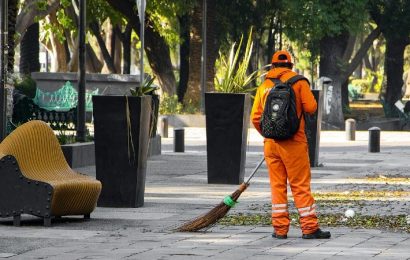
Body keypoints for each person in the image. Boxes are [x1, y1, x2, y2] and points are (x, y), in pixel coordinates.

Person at [250, 50, 331, 239]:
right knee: (300, 185)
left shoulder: (264, 86)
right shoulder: (299, 82)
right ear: (291, 66)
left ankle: (279, 229)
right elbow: (311, 107)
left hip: (271, 144)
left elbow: (255, 118)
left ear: (273, 66)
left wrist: (271, 134)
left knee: (277, 186)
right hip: (294, 143)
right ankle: (309, 228)